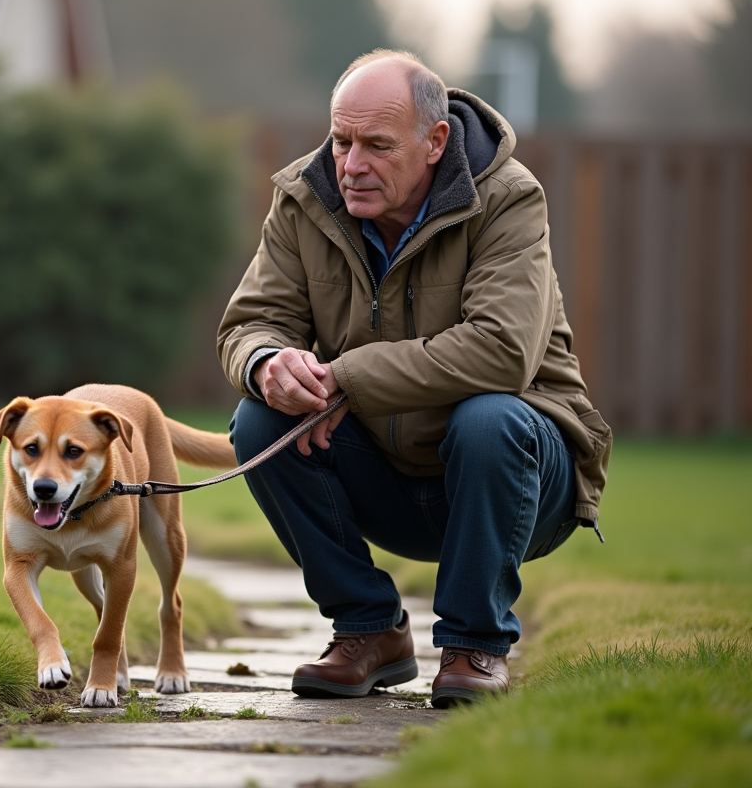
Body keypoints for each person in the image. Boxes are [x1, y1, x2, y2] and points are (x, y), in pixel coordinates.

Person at [216, 50, 612, 708]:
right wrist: (268, 364)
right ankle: (368, 631)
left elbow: (501, 352)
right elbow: (248, 324)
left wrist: (344, 376)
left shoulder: (508, 199)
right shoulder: (302, 200)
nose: (351, 164)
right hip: (386, 480)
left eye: (376, 145)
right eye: (341, 141)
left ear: (436, 143)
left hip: (516, 482)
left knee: (489, 417)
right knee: (259, 418)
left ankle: (475, 645)